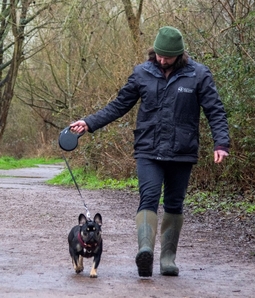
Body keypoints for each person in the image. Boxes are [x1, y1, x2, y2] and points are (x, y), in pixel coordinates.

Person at [69, 26, 230, 277]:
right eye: (158, 55)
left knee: (174, 204)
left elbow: (215, 110)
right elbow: (119, 105)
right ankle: (145, 251)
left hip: (182, 151)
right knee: (149, 198)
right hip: (148, 149)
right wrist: (89, 122)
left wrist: (221, 143)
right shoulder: (142, 73)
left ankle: (167, 259)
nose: (162, 60)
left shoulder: (198, 75)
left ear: (180, 55)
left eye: (167, 57)